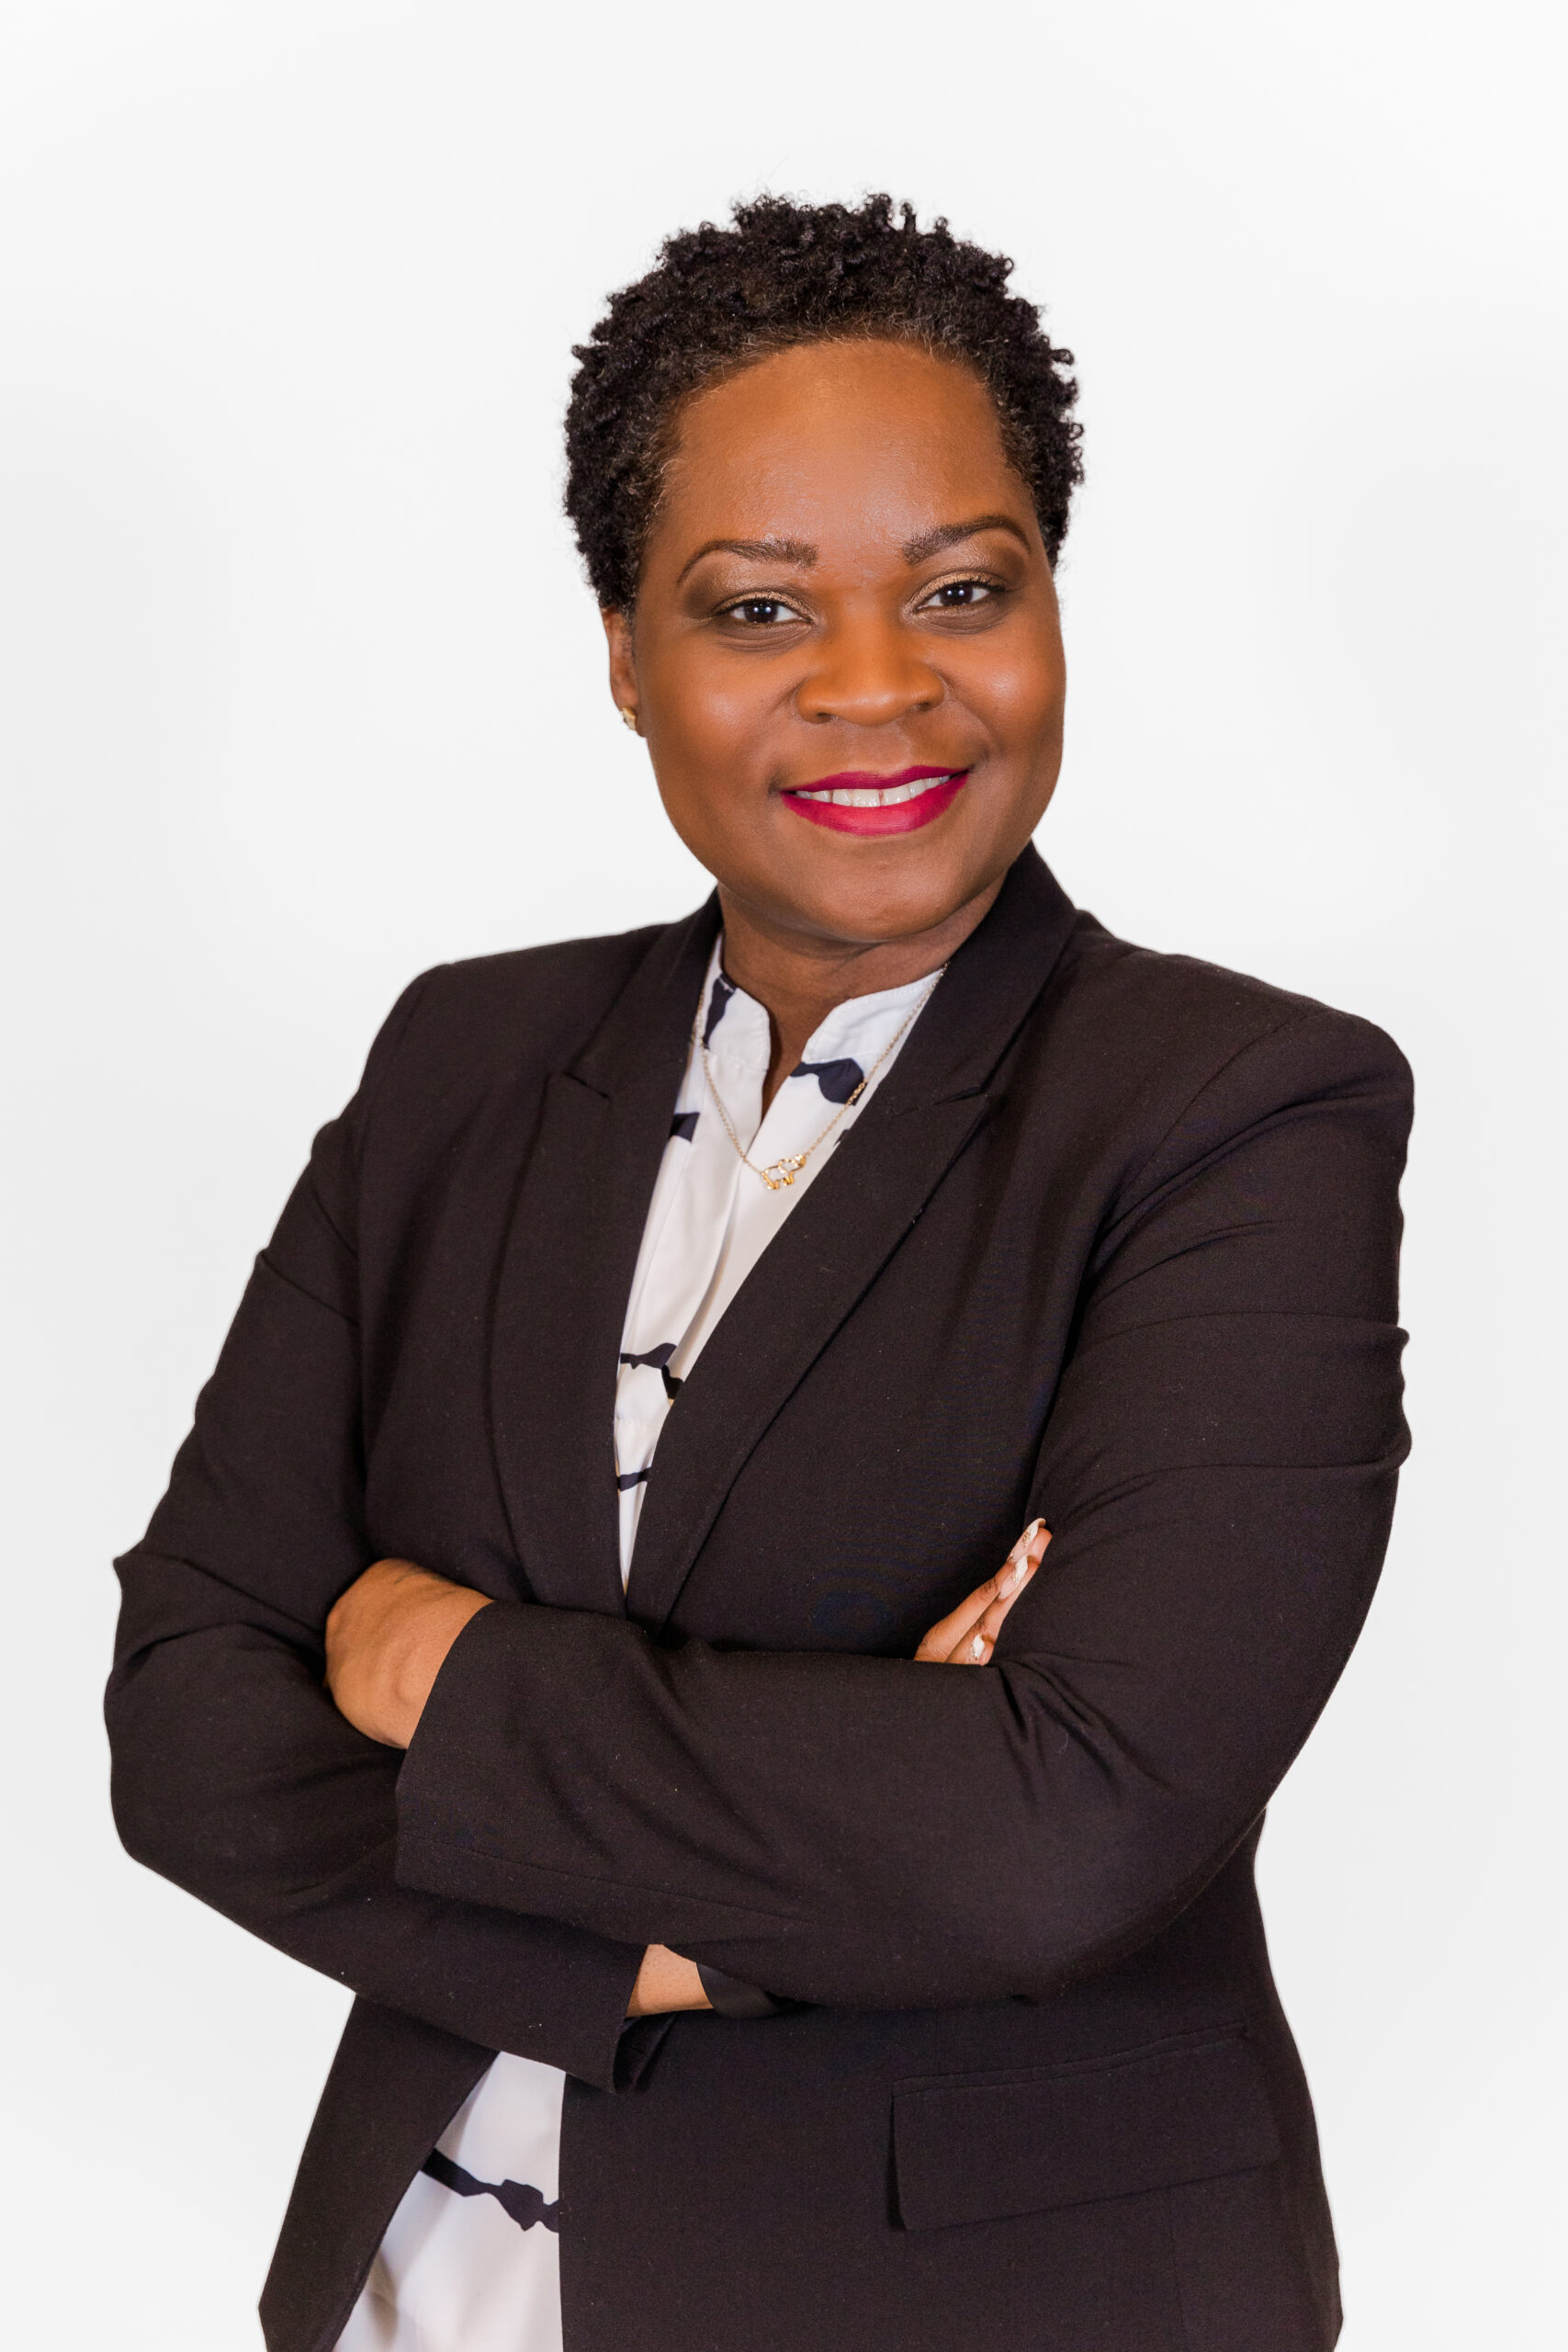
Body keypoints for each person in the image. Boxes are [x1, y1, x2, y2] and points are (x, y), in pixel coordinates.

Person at [107, 195, 1411, 2352]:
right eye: (755, 606)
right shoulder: (464, 1056)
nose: (877, 683)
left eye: (962, 589)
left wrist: (440, 1670)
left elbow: (1049, 1837)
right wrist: (673, 1941)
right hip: (413, 2290)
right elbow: (187, 1724)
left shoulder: (1240, 1110)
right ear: (623, 645)